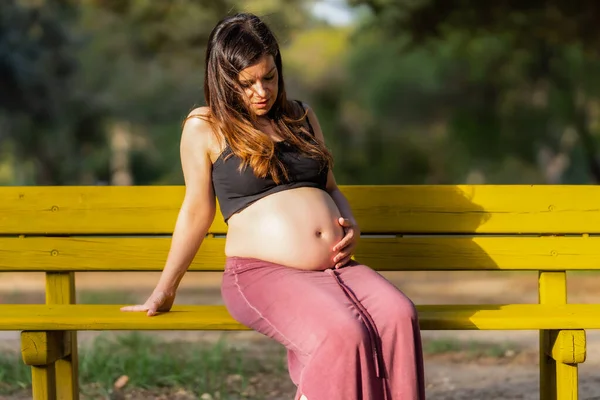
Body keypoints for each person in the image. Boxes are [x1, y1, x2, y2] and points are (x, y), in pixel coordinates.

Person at [121, 12, 425, 400]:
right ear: (223, 80)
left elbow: (330, 188)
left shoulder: (301, 116)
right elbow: (197, 211)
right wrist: (165, 289)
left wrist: (349, 220)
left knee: (400, 315)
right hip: (261, 274)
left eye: (269, 77)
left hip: (337, 268)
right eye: (247, 83)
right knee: (344, 333)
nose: (261, 91)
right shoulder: (206, 126)